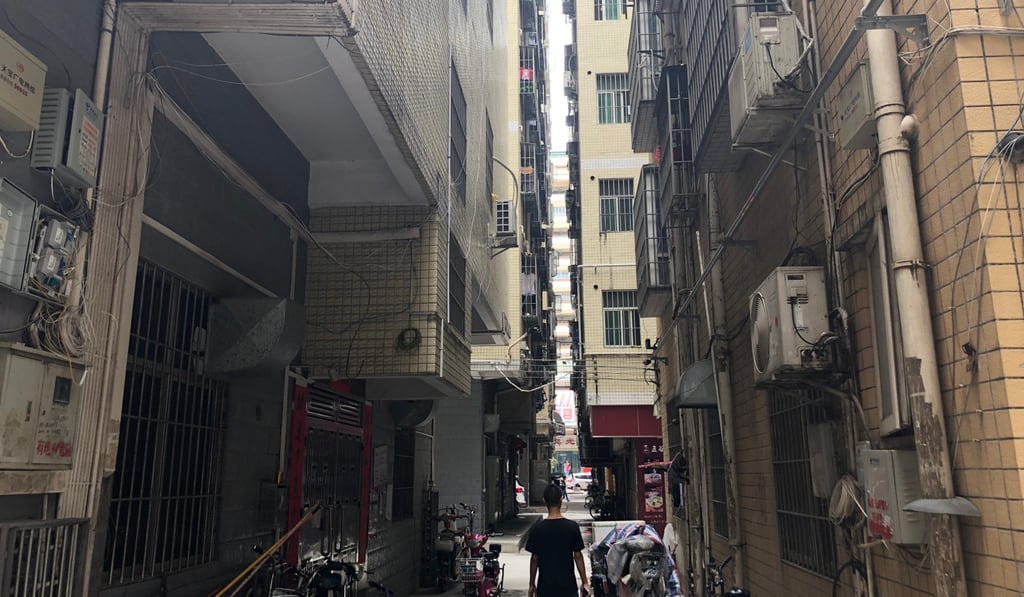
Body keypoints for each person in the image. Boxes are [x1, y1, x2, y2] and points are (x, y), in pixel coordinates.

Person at [525, 483, 590, 597]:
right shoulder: (572, 527)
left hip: (545, 587)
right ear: (561, 499)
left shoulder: (537, 529)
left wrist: (531, 584)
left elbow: (535, 558)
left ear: (545, 501)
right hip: (568, 586)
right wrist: (585, 582)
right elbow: (578, 556)